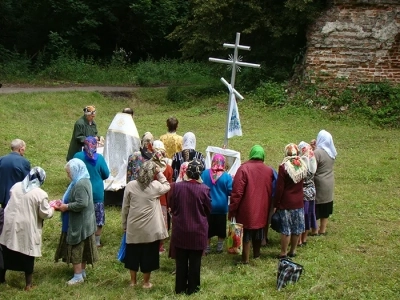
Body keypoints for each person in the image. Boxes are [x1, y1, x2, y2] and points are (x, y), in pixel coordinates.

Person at [0, 167, 54, 290]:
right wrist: (52, 209)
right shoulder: (40, 194)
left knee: (6, 248)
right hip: (26, 225)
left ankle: (1, 278)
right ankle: (28, 285)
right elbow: (44, 213)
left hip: (9, 220)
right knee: (27, 252)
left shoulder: (16, 186)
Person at [121, 160, 170, 288]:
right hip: (150, 230)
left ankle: (132, 282)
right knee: (148, 255)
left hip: (134, 227)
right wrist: (159, 173)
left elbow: (125, 207)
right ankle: (146, 283)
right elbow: (167, 185)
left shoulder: (130, 186)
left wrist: (124, 225)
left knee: (132, 254)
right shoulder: (155, 187)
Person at [170, 159, 211, 295]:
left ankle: (180, 288)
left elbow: (173, 206)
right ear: (200, 173)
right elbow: (208, 209)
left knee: (180, 262)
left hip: (180, 229)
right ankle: (193, 289)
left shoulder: (177, 187)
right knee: (195, 263)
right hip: (198, 231)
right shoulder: (205, 189)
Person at [229, 145, 275, 264]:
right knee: (259, 231)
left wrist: (232, 209)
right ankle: (256, 255)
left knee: (247, 234)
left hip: (247, 207)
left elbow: (237, 192)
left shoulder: (243, 169)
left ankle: (245, 259)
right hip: (262, 207)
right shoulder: (269, 170)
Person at [54, 159, 98, 285]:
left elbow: (82, 203)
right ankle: (82, 271)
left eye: (69, 173)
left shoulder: (80, 184)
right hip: (86, 221)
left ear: (76, 170)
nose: (68, 175)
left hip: (79, 222)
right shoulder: (83, 179)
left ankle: (78, 276)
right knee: (83, 247)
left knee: (77, 247)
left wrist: (66, 207)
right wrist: (64, 202)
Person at [74, 136, 110, 247]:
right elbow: (106, 174)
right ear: (95, 145)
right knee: (98, 218)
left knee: (81, 215)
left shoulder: (77, 156)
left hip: (81, 191)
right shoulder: (99, 158)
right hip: (97, 193)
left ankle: (81, 239)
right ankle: (96, 242)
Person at [275, 143, 308, 258]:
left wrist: (276, 203)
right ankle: (293, 250)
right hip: (298, 201)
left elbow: (279, 187)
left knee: (286, 228)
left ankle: (283, 252)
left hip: (286, 202)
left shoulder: (284, 167)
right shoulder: (301, 165)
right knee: (297, 228)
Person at [201, 154, 233, 254]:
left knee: (207, 228)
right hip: (221, 207)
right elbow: (230, 191)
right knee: (221, 227)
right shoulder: (227, 177)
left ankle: (207, 247)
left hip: (208, 206)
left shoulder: (205, 174)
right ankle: (219, 247)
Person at [102, 109, 140, 193]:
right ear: (131, 116)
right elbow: (136, 145)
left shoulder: (113, 126)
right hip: (125, 157)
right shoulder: (131, 129)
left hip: (113, 157)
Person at [311, 130, 337, 236]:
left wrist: (312, 149)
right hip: (329, 182)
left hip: (319, 183)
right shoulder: (332, 152)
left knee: (316, 207)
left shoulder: (317, 153)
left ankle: (314, 230)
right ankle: (323, 229)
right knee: (326, 206)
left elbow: (312, 167)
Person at [151, 140, 173, 253]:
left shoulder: (149, 168)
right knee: (162, 222)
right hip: (163, 199)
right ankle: (160, 245)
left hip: (150, 198)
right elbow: (169, 187)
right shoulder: (168, 169)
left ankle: (151, 243)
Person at [0, 139, 31, 208]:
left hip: (3, 196)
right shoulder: (23, 162)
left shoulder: (1, 159)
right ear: (21, 149)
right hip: (16, 196)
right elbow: (27, 180)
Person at [297, 141, 317, 246]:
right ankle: (304, 238)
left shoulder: (302, 161)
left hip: (303, 192)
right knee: (309, 214)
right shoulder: (312, 159)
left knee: (302, 215)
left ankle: (299, 239)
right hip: (312, 191)